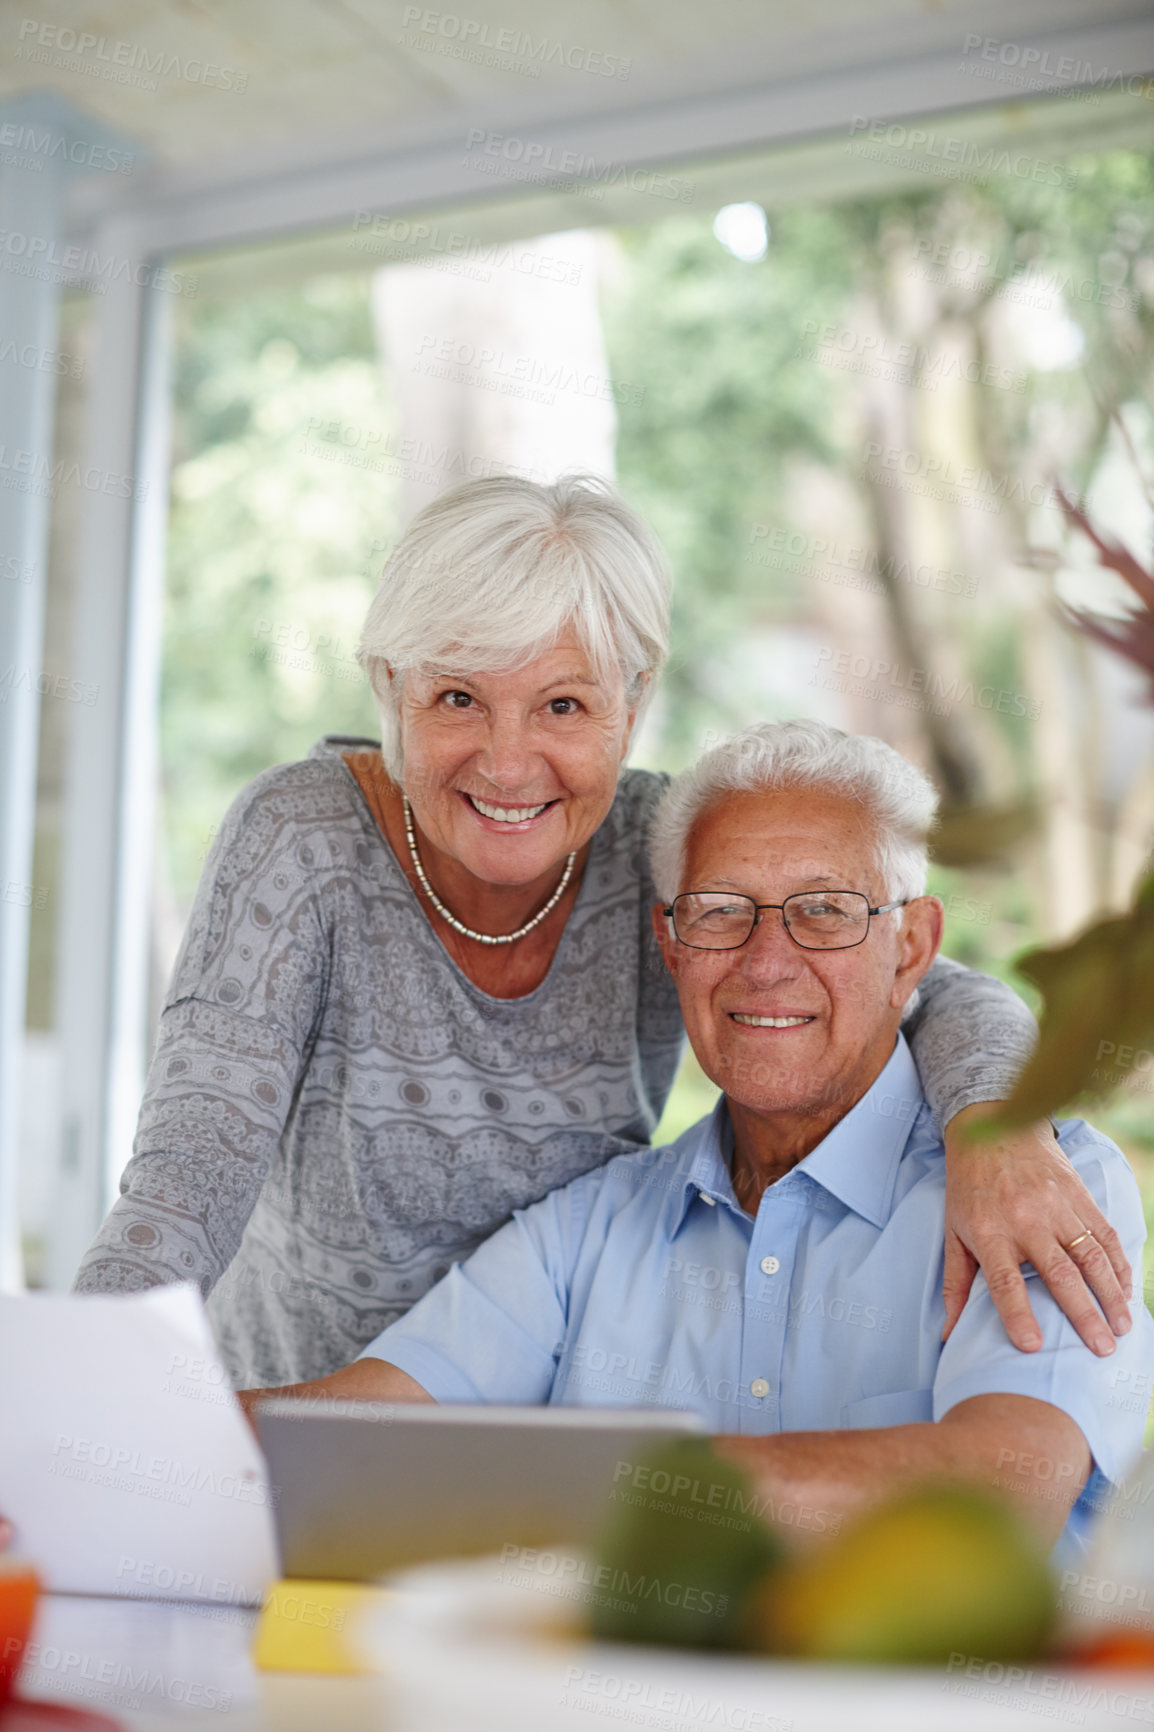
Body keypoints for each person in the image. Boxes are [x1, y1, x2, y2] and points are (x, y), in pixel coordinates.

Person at [74, 476, 1131, 1389]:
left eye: (564, 706)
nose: (506, 761)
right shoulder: (302, 839)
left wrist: (991, 1126)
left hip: (550, 1449)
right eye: (455, 697)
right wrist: (78, 1413)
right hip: (304, 1428)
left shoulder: (651, 846)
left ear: (633, 701)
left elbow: (922, 980)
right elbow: (177, 1202)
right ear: (388, 692)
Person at [242, 722, 1153, 1547]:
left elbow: (1003, 1487)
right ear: (670, 944)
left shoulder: (1039, 1188)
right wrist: (125, 1421)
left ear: (912, 946)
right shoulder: (587, 1229)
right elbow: (330, 1440)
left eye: (825, 910)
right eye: (720, 910)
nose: (765, 963)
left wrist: (576, 1496)